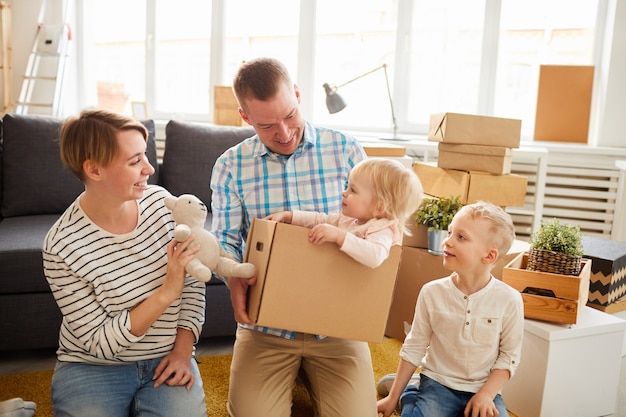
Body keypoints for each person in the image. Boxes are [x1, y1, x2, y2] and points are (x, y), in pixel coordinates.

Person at [210, 57, 378, 416]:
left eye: (290, 115)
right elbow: (224, 240)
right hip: (267, 327)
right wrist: (233, 277)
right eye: (267, 125)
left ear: (298, 95)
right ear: (245, 117)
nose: (284, 133)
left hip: (337, 324)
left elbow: (375, 224)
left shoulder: (346, 150)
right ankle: (294, 374)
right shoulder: (230, 165)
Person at [42, 109, 208, 417]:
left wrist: (184, 352)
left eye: (145, 156)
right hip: (92, 367)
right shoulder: (61, 246)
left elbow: (195, 288)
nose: (148, 168)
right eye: (135, 161)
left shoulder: (162, 206)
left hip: (167, 356)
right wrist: (166, 293)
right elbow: (100, 343)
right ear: (94, 170)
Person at [376, 201, 524, 417]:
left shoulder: (510, 300)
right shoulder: (431, 292)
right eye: (450, 232)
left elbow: (509, 356)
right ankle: (408, 393)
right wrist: (391, 398)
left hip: (484, 389)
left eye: (461, 237)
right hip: (438, 383)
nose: (448, 241)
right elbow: (415, 345)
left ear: (489, 256)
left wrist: (485, 394)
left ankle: (414, 390)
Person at [266, 157, 423, 268]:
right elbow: (319, 219)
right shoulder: (348, 220)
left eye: (353, 190)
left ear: (379, 208)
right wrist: (289, 216)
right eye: (348, 186)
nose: (344, 193)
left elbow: (375, 257)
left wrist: (339, 236)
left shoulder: (382, 229)